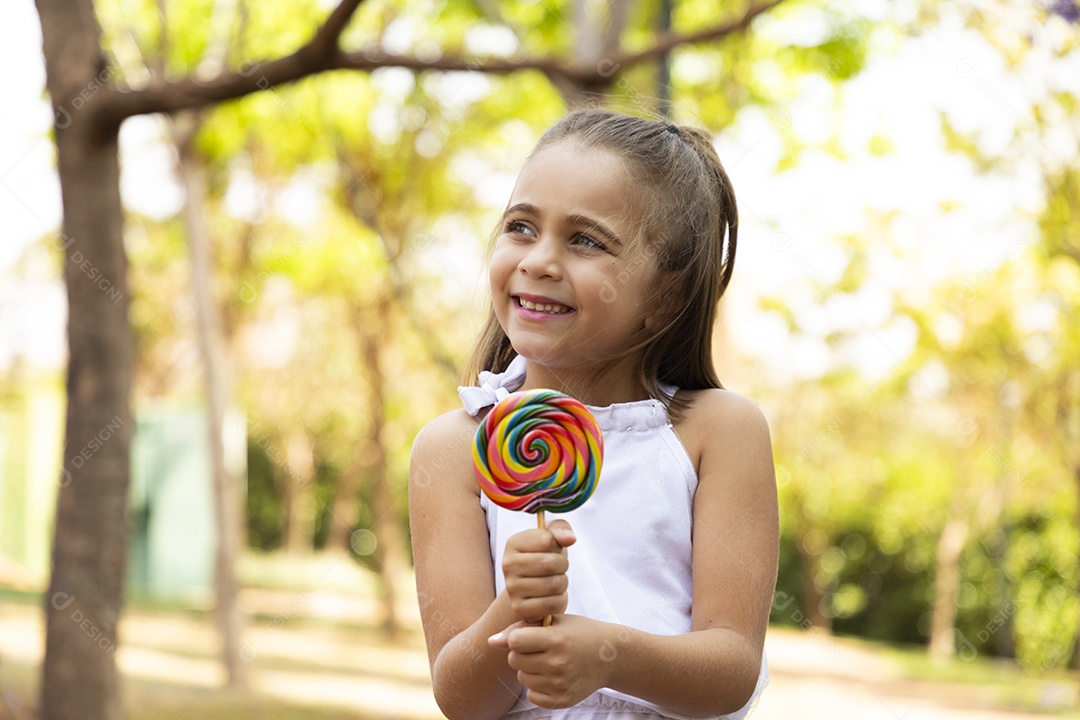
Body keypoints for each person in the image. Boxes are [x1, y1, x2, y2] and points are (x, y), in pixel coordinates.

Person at [409, 109, 779, 720]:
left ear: (666, 296)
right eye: (521, 227)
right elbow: (460, 698)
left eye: (585, 240)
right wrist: (516, 610)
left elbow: (732, 667)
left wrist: (610, 655)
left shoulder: (719, 432)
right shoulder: (455, 447)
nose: (539, 261)